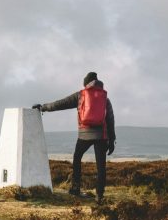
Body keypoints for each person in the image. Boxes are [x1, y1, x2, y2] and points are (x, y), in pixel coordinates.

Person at [32, 71, 116, 203]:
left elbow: (60, 104)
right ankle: (99, 195)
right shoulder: (105, 98)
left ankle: (75, 188)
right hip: (102, 136)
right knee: (101, 166)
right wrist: (112, 140)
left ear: (86, 83)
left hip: (84, 135)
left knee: (77, 158)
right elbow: (110, 120)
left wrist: (43, 107)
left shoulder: (80, 95)